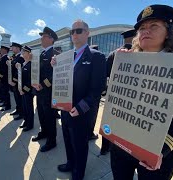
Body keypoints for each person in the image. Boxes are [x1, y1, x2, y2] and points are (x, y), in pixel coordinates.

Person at [110, 5, 173, 180]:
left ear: (168, 32)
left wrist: (161, 149)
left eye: (154, 26)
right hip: (121, 146)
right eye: (142, 28)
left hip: (156, 152)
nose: (145, 31)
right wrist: (119, 63)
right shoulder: (128, 60)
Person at [52, 19, 107, 180]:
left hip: (81, 111)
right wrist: (55, 65)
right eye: (72, 32)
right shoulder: (65, 57)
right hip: (65, 108)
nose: (74, 34)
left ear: (87, 33)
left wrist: (82, 107)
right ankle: (70, 163)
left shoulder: (97, 56)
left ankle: (78, 172)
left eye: (79, 31)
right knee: (68, 140)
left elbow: (98, 89)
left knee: (80, 144)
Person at [100, 28, 137, 156]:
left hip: (113, 95)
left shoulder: (113, 53)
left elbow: (105, 74)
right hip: (130, 98)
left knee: (109, 122)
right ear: (134, 38)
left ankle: (105, 148)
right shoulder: (138, 53)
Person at [31, 27, 59, 152]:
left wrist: (42, 84)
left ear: (51, 39)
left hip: (48, 92)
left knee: (50, 116)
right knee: (41, 114)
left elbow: (54, 75)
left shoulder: (55, 54)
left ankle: (52, 140)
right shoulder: (41, 54)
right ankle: (44, 132)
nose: (41, 38)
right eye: (41, 36)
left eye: (44, 36)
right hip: (40, 91)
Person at [17, 45, 34, 132]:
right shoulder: (24, 64)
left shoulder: (31, 64)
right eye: (22, 52)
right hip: (23, 91)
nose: (22, 53)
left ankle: (30, 124)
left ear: (28, 53)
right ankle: (26, 121)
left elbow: (30, 80)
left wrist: (24, 90)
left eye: (24, 52)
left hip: (27, 91)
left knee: (29, 108)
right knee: (25, 107)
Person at [10, 42, 25, 120]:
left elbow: (19, 72)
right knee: (16, 97)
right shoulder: (15, 57)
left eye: (13, 47)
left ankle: (21, 113)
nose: (12, 49)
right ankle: (18, 110)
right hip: (13, 82)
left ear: (17, 48)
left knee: (19, 98)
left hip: (18, 82)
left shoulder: (21, 57)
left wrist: (14, 81)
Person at [0, 33, 12, 111]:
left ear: (5, 50)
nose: (1, 51)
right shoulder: (2, 58)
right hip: (2, 78)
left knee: (5, 92)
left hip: (4, 78)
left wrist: (0, 77)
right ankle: (4, 103)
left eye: (2, 49)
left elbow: (5, 70)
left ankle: (7, 105)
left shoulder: (6, 58)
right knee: (3, 91)